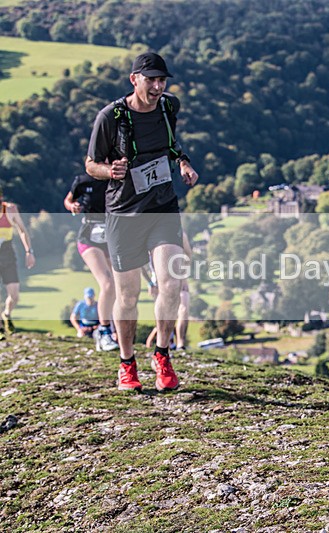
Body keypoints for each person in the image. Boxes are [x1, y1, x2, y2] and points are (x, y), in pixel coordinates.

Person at [85, 52, 199, 392]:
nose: (158, 87)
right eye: (151, 80)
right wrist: (109, 171)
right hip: (124, 214)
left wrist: (183, 162)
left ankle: (162, 354)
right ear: (134, 79)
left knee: (171, 283)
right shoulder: (111, 117)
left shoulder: (168, 107)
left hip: (162, 208)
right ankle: (127, 363)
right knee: (128, 295)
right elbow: (91, 164)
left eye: (162, 80)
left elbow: (171, 145)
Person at [64, 174, 119, 351]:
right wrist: (72, 206)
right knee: (107, 284)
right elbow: (68, 200)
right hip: (89, 239)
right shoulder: (83, 181)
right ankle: (104, 331)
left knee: (117, 288)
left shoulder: (119, 177)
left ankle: (114, 331)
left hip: (111, 238)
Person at [0, 185, 35, 340]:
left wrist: (29, 252)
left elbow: (22, 230)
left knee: (14, 295)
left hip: (7, 253)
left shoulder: (10, 210)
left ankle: (6, 314)